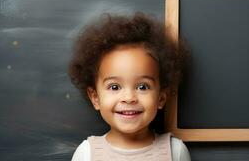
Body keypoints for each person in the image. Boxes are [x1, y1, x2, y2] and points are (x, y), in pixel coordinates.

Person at [68, 12, 190, 161]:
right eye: (114, 87)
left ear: (161, 98)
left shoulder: (175, 152)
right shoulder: (86, 154)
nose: (129, 98)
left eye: (142, 87)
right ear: (95, 98)